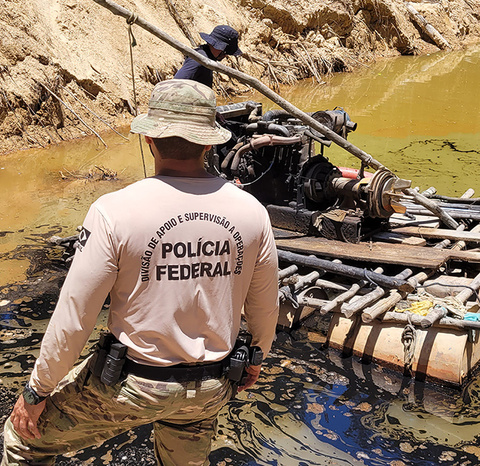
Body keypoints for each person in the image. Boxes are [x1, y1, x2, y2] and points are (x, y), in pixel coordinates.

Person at [2, 79, 279, 465]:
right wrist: (257, 357)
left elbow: (75, 316)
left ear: (149, 138)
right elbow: (265, 306)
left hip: (132, 387)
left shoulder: (114, 211)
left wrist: (37, 391)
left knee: (22, 438)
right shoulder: (252, 212)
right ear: (209, 144)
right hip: (212, 386)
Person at [174, 25, 242, 88]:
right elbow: (176, 84)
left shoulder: (207, 58)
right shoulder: (198, 61)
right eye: (224, 51)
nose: (225, 55)